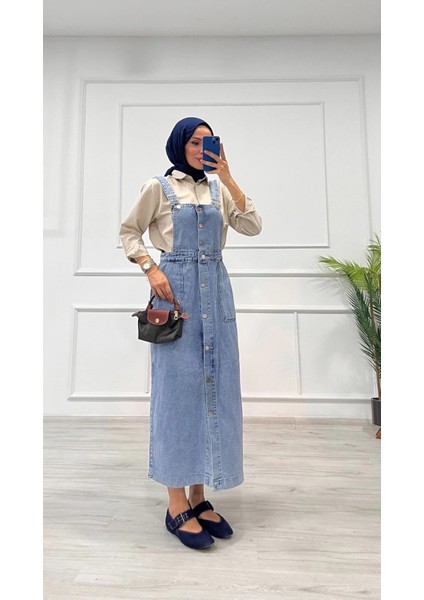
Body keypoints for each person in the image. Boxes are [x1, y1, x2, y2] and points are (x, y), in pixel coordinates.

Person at [120, 117, 262, 549]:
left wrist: (229, 177)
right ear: (180, 145)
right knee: (178, 395)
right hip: (176, 292)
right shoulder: (158, 187)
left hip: (215, 294)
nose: (203, 148)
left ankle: (200, 497)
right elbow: (129, 232)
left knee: (214, 390)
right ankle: (175, 502)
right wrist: (151, 268)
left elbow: (252, 225)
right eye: (196, 142)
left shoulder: (219, 190)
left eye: (209, 141)